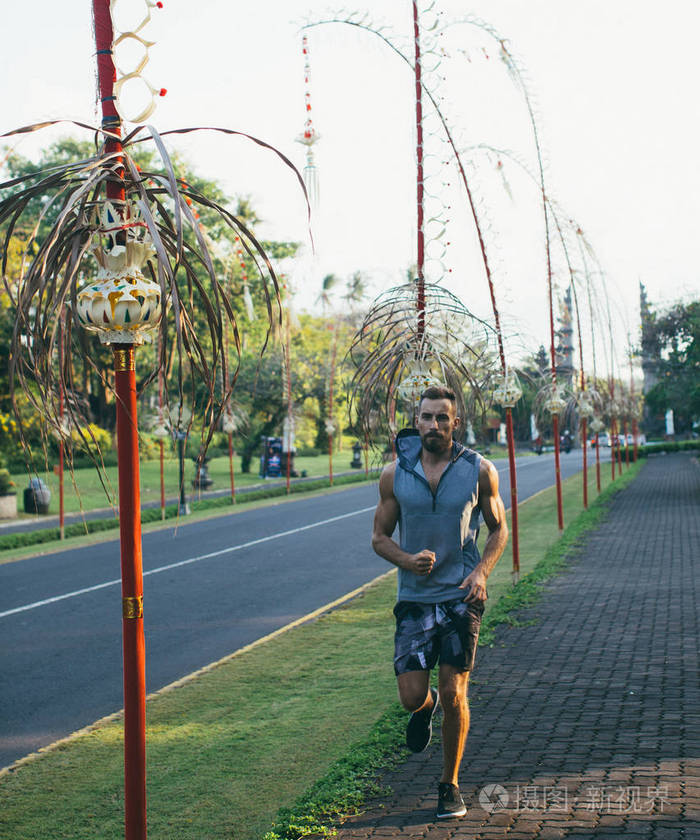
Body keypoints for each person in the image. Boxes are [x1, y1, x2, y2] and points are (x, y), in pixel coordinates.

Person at [371, 385, 509, 819]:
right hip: (414, 599)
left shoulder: (479, 470)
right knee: (412, 697)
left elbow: (499, 529)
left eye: (442, 417)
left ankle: (450, 785)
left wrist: (481, 572)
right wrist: (407, 560)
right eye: (427, 417)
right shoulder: (395, 474)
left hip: (460, 597)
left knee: (455, 693)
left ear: (455, 422)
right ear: (417, 421)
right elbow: (379, 538)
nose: (434, 425)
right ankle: (424, 706)